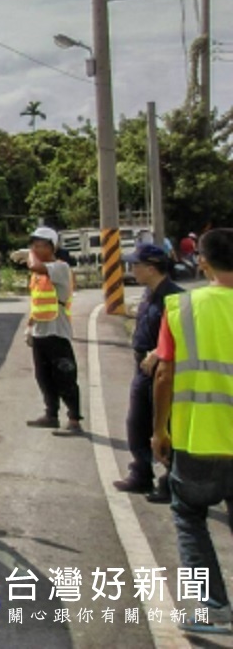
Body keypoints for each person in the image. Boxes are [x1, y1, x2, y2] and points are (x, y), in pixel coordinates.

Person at [152, 228, 233, 635]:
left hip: (197, 439)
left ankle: (213, 609)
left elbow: (163, 375)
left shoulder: (181, 308)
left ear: (202, 261)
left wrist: (159, 431)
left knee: (189, 519)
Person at [112, 244, 182, 499]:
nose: (132, 269)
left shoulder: (176, 298)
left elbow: (184, 337)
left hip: (164, 368)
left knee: (166, 425)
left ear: (151, 268)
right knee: (137, 422)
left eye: (136, 265)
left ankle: (171, 482)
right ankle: (141, 473)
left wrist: (159, 352)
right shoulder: (148, 293)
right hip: (141, 367)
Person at [25, 226, 83, 433]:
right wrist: (29, 326)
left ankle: (74, 419)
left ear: (53, 248)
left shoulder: (60, 267)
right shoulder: (38, 275)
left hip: (57, 331)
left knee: (65, 376)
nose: (36, 249)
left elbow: (35, 265)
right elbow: (37, 301)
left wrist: (29, 254)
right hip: (40, 332)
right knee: (43, 377)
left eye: (41, 245)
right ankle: (51, 415)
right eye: (34, 245)